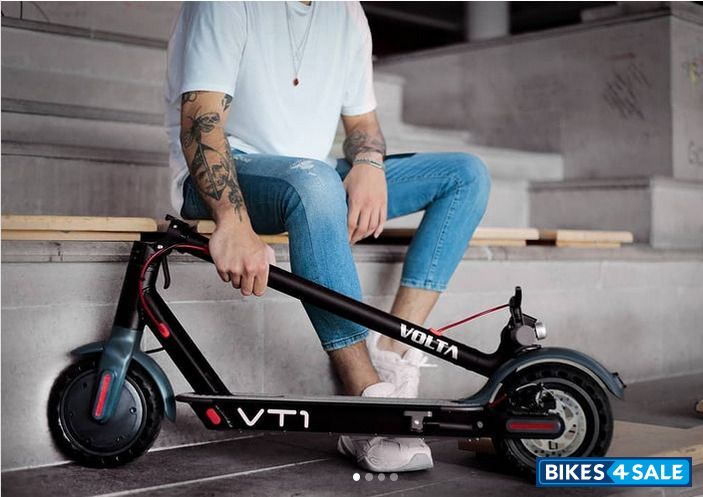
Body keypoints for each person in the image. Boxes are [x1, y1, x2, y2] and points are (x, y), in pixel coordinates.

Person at [165, 1, 490, 473]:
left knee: (465, 175)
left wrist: (369, 164)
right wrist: (232, 222)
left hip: (314, 175)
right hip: (232, 173)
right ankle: (363, 402)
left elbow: (363, 124)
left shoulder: (347, 12)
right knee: (315, 183)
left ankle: (392, 354)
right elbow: (201, 119)